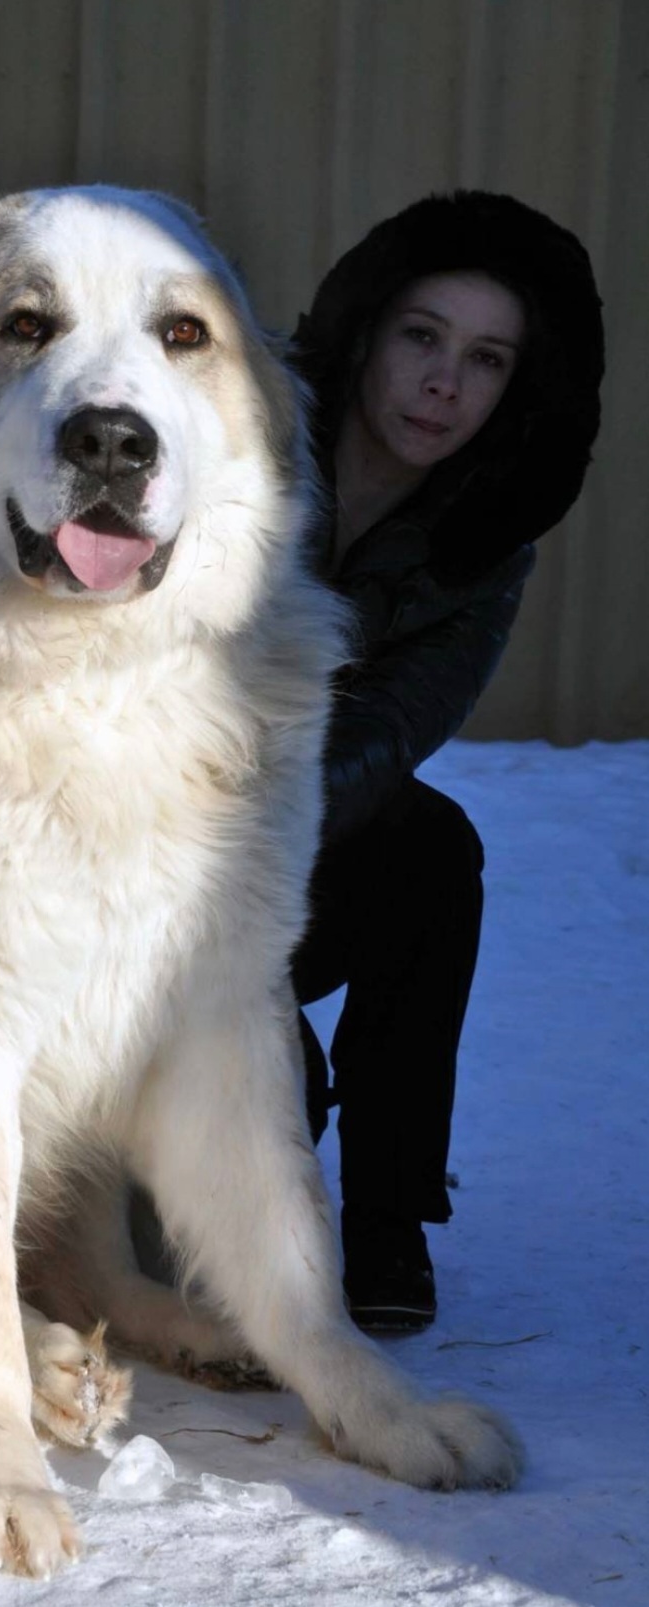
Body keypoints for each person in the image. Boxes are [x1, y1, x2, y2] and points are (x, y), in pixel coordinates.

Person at [289, 189, 605, 1331]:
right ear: (367, 329)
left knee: (428, 845)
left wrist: (234, 893)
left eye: (485, 358)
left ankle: (386, 1212)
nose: (443, 382)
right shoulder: (237, 439)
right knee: (182, 1247)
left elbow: (392, 734)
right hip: (116, 859)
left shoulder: (484, 540)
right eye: (422, 336)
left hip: (268, 851)